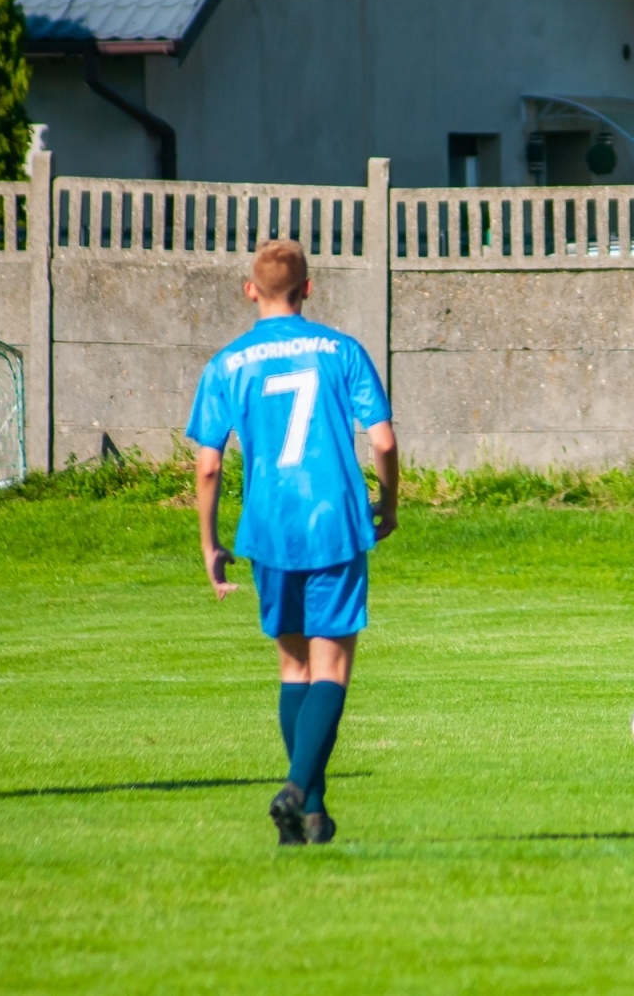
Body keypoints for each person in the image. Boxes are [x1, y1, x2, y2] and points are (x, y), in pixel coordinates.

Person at [187, 239, 399, 846]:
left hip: (270, 526)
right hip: (334, 518)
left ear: (250, 290)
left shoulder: (227, 363)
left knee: (294, 666)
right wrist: (388, 503)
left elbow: (208, 465)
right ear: (309, 289)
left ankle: (309, 814)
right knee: (332, 666)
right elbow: (382, 442)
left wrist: (210, 543)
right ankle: (300, 790)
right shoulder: (343, 351)